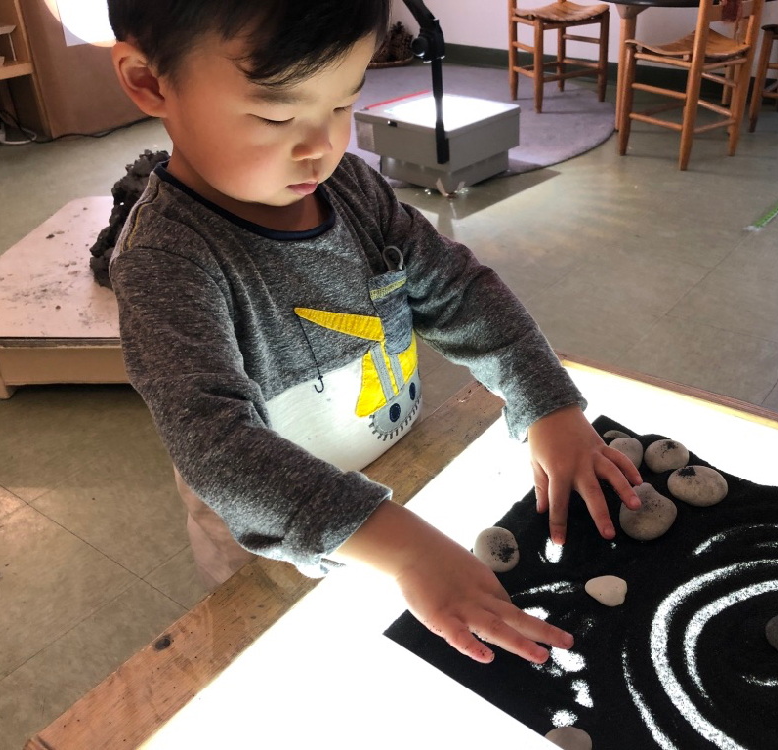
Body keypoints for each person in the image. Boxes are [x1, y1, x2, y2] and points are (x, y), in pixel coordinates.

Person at [106, 0, 641, 665]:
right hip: (284, 543)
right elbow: (217, 449)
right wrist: (408, 549)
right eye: (276, 114)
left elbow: (459, 291)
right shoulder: (167, 263)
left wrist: (547, 403)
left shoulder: (354, 189)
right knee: (309, 660)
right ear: (149, 81)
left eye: (341, 105)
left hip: (399, 483)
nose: (319, 146)